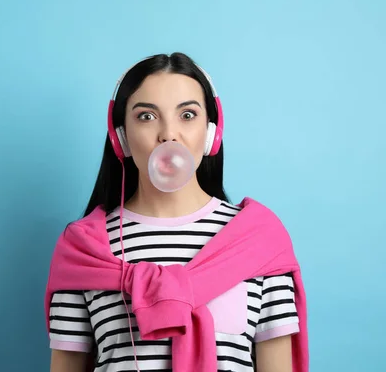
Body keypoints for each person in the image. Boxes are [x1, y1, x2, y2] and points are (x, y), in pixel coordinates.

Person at [45, 52, 307, 372]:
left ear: (211, 132)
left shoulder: (260, 241)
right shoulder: (84, 250)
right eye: (146, 116)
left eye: (187, 115)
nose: (168, 134)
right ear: (120, 137)